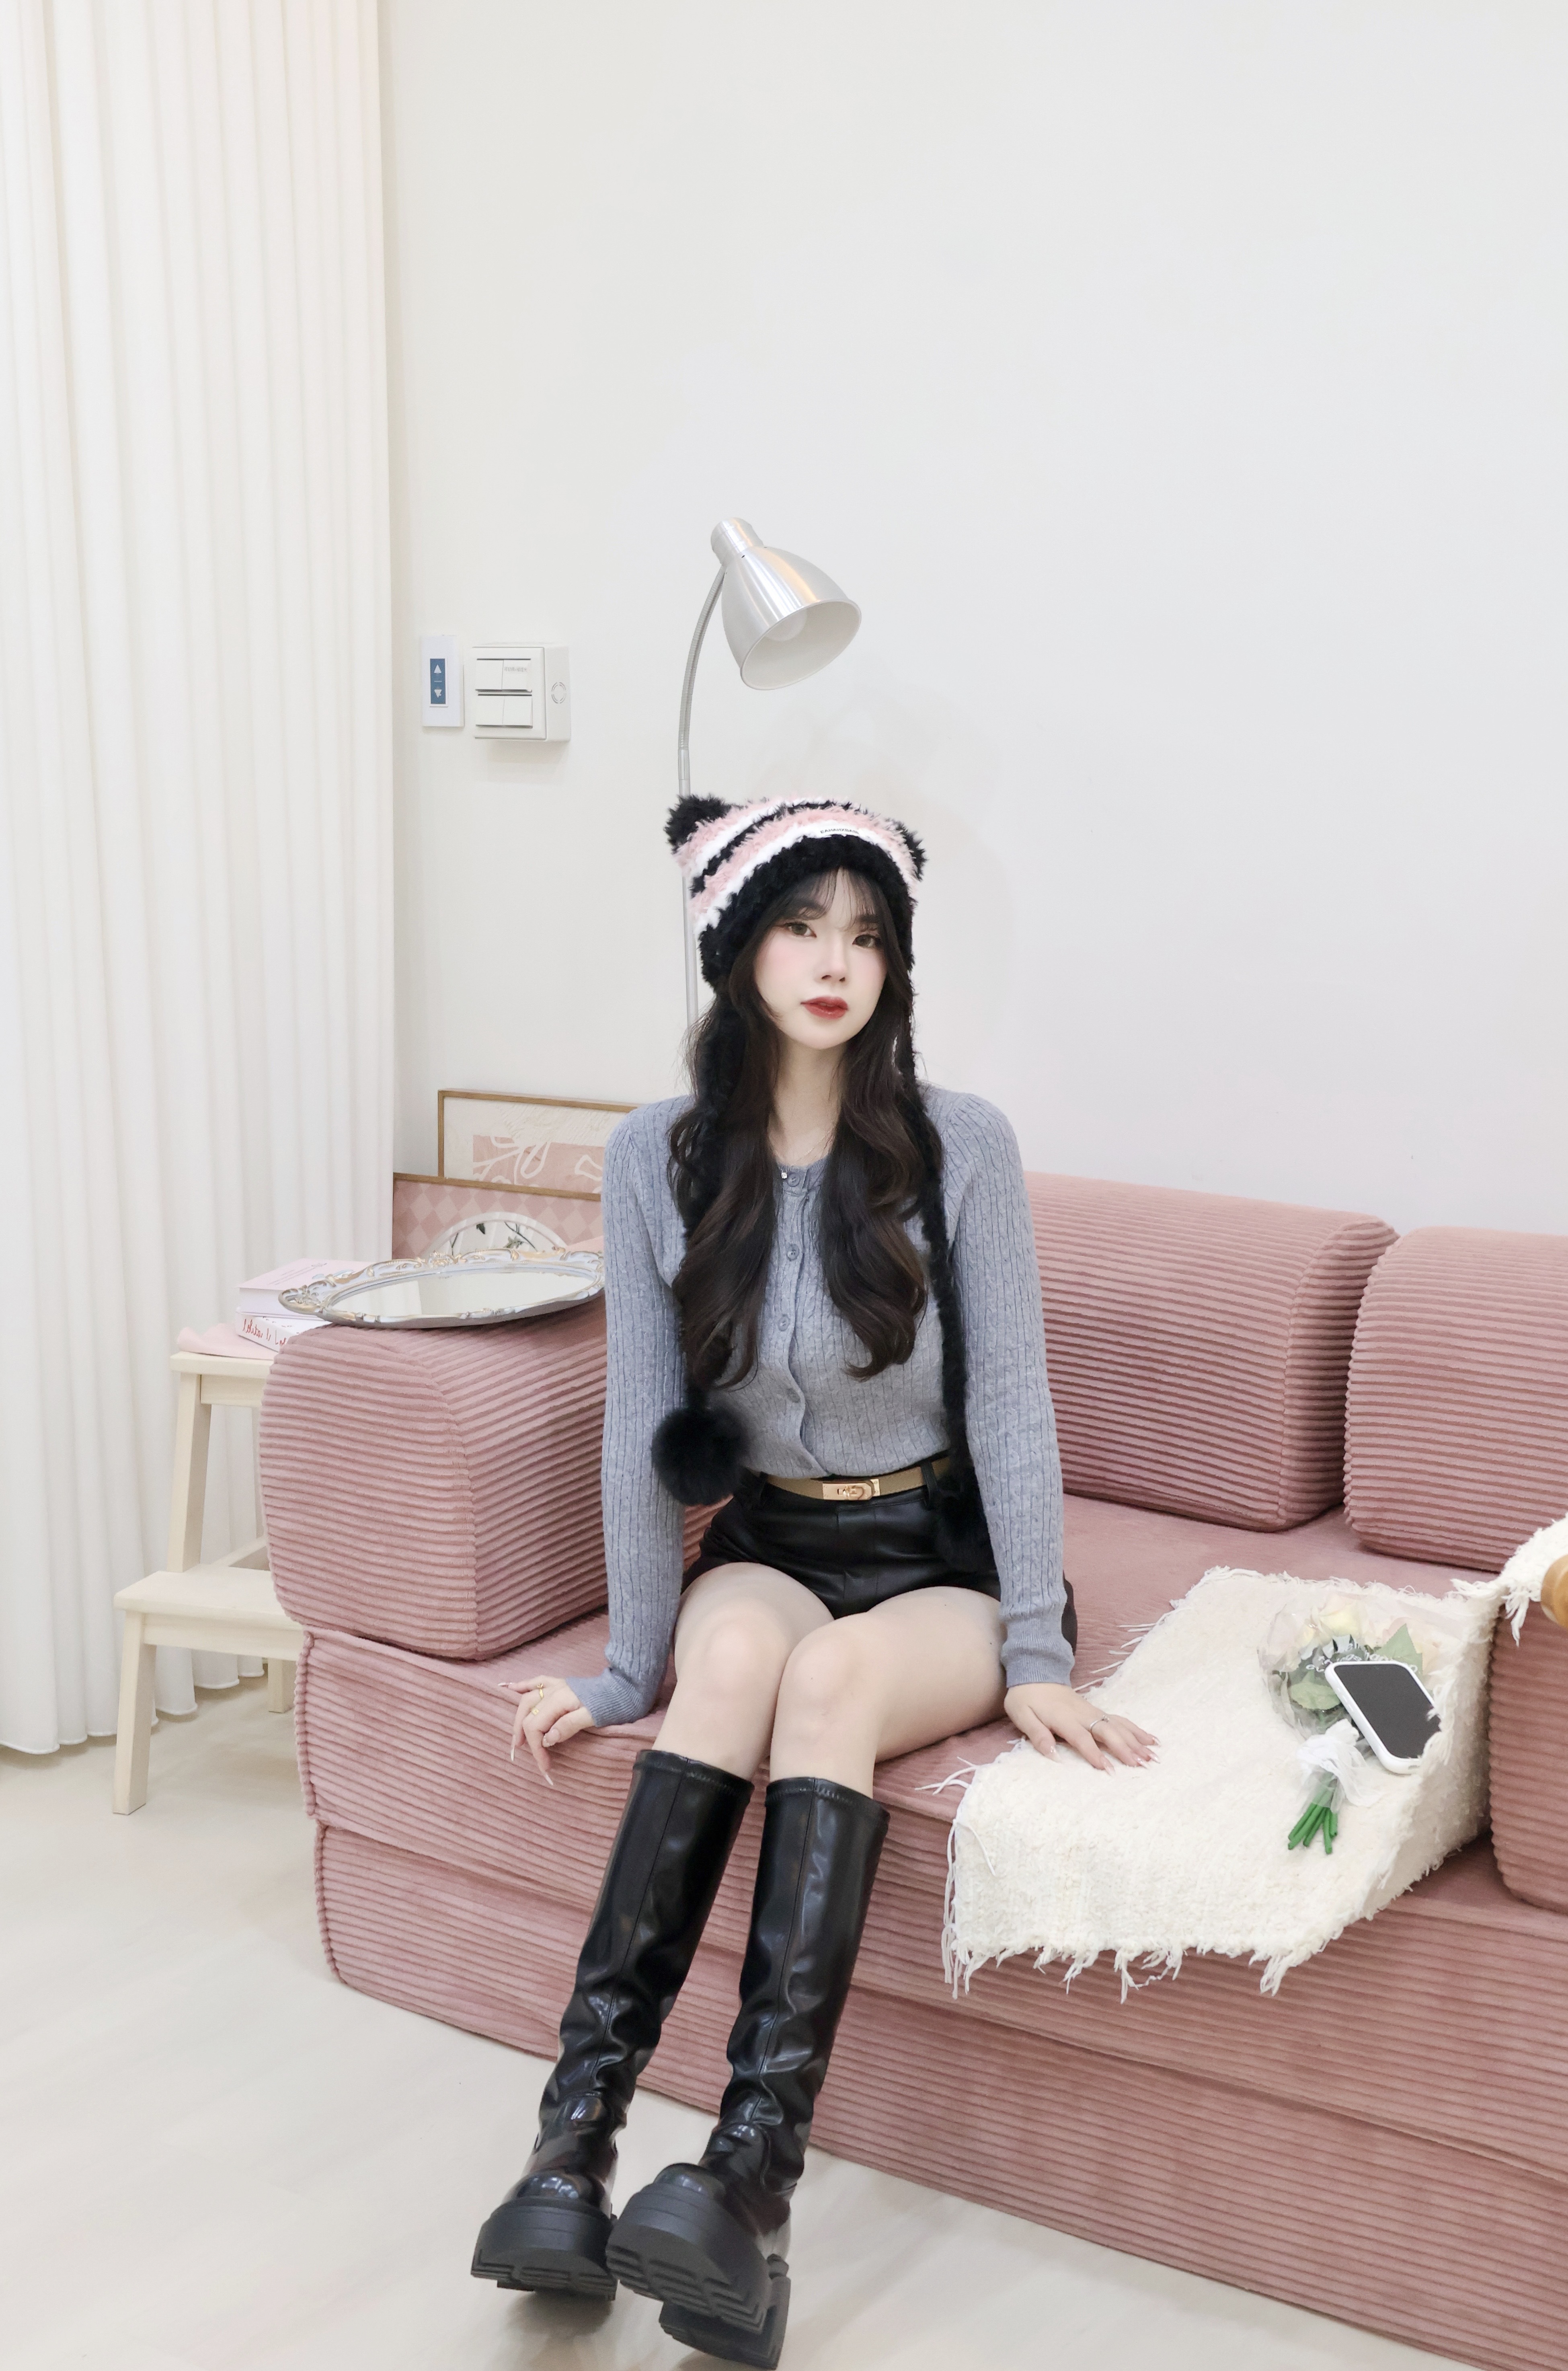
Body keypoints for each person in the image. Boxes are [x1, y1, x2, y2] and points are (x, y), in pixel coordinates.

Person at [472, 795, 1155, 2366]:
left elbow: (1013, 1402)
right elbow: (645, 1422)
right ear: (737, 950)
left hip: (933, 1556)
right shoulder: (653, 1157)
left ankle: (746, 2186)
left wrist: (1037, 1649)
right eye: (800, 926)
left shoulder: (959, 1143)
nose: (836, 961)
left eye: (865, 934)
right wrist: (626, 1670)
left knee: (831, 1684)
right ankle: (569, 2155)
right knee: (729, 1671)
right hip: (772, 1540)